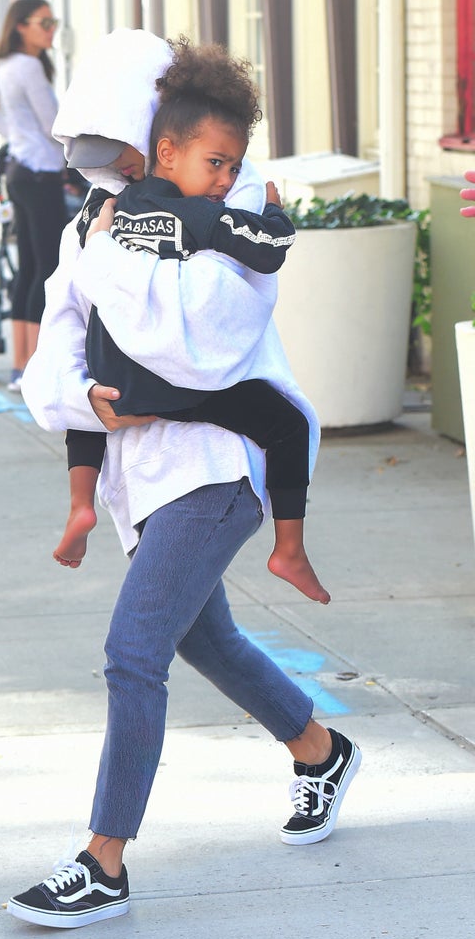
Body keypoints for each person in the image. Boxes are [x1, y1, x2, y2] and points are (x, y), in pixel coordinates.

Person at [10, 29, 361, 929]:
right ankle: (319, 750)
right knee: (205, 639)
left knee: (135, 653)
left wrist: (114, 254)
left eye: (118, 142)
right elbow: (52, 358)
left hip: (220, 466)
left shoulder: (231, 198)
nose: (112, 162)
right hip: (147, 475)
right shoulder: (101, 213)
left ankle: (104, 862)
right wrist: (88, 395)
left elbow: (197, 345)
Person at [52, 39, 329, 605]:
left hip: (142, 412)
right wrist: (273, 214)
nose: (225, 177)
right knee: (287, 424)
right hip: (180, 396)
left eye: (125, 152)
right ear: (168, 147)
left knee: (90, 396)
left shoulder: (99, 218)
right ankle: (291, 548)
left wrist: (104, 263)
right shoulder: (204, 205)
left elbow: (83, 320)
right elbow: (267, 249)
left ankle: (79, 503)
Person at [0, 0, 67, 392]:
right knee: (48, 269)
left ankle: (21, 365)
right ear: (21, 26)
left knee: (28, 266)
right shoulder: (27, 67)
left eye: (52, 21)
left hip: (19, 172)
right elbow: (52, 126)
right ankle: (34, 366)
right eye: (43, 22)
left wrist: (15, 137)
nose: (51, 29)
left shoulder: (10, 66)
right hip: (41, 173)